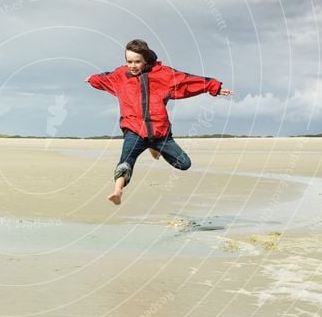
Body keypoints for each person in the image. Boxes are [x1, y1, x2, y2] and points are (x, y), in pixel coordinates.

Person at [86, 39, 234, 204]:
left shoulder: (163, 74)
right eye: (129, 61)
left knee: (184, 164)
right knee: (125, 162)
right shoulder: (121, 75)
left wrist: (215, 87)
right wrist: (92, 79)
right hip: (134, 130)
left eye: (137, 61)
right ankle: (117, 191)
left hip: (160, 133)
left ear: (146, 60)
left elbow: (187, 81)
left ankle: (155, 148)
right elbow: (105, 78)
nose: (133, 65)